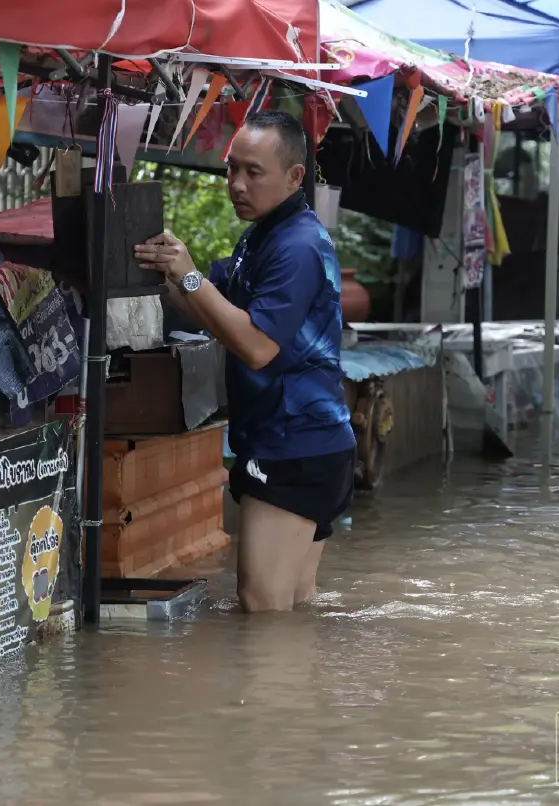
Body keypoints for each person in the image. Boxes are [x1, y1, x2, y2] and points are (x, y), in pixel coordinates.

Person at [134, 109, 355, 614]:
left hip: (293, 445)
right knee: (292, 606)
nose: (236, 183)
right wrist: (168, 272)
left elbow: (255, 345)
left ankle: (269, 698)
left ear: (295, 176)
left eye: (253, 172)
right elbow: (219, 314)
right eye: (232, 168)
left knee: (262, 610)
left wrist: (190, 277)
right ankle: (293, 695)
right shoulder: (264, 235)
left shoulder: (297, 246)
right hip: (310, 443)